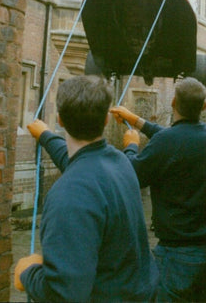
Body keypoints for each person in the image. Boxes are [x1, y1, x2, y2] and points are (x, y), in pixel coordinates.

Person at [14, 75, 158, 302]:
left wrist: (27, 274)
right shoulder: (121, 163)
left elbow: (65, 293)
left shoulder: (69, 194)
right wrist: (45, 136)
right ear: (106, 121)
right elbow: (82, 161)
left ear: (59, 119)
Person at [110, 76, 206, 302]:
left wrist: (131, 146)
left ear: (173, 102)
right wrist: (136, 120)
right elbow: (175, 137)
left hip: (175, 255)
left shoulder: (167, 141)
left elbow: (132, 176)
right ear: (204, 106)